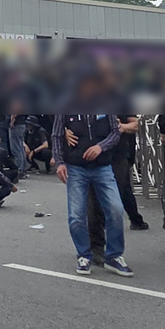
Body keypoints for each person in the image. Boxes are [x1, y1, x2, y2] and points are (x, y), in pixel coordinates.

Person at [53, 114, 134, 277]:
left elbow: (115, 132)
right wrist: (59, 162)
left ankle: (114, 255)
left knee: (115, 209)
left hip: (102, 167)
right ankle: (83, 255)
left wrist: (101, 147)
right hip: (76, 167)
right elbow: (56, 134)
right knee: (76, 215)